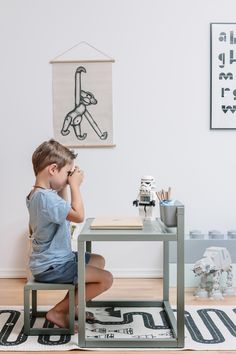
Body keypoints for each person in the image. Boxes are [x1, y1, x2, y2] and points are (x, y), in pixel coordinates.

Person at [26, 139, 113, 329]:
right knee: (106, 279)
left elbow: (65, 210)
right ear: (53, 169)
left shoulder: (37, 194)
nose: (68, 177)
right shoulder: (46, 198)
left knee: (97, 260)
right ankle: (58, 311)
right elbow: (78, 215)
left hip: (53, 259)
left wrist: (65, 185)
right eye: (66, 173)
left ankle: (70, 307)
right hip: (53, 265)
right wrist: (75, 186)